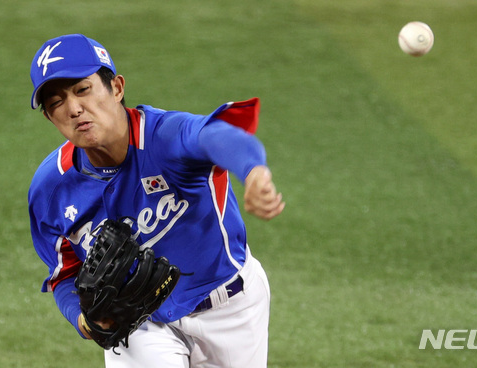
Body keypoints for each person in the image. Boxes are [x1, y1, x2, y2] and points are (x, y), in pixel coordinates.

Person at [27, 33, 285, 367]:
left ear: (117, 88)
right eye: (56, 102)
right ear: (49, 117)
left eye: (82, 89)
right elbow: (64, 272)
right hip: (139, 324)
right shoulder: (50, 189)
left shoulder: (165, 137)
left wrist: (253, 173)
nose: (74, 109)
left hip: (231, 309)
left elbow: (218, 135)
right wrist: (82, 319)